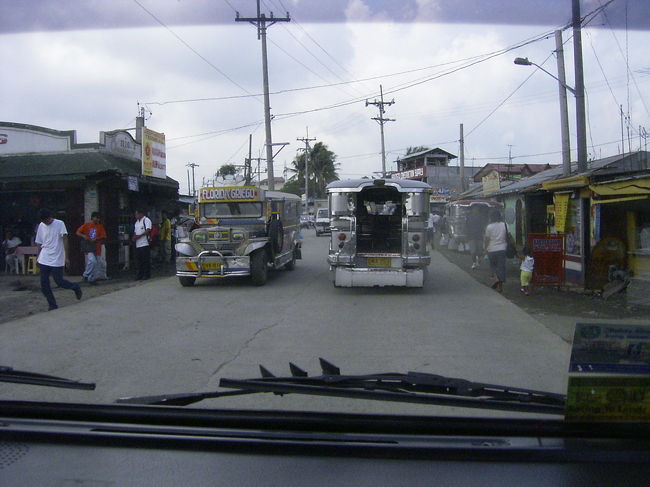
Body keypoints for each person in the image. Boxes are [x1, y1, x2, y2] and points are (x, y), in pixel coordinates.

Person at [35, 208, 82, 310]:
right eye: (43, 221)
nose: (45, 223)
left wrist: (66, 257)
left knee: (59, 281)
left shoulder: (59, 223)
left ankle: (75, 287)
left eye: (46, 220)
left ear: (49, 217)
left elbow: (65, 239)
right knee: (44, 283)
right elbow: (39, 242)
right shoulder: (41, 226)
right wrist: (38, 257)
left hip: (57, 257)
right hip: (44, 257)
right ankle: (52, 304)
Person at [76, 212, 107, 285]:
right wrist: (84, 236)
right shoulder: (87, 225)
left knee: (97, 264)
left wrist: (97, 239)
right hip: (88, 246)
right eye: (96, 217)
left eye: (98, 218)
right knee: (92, 261)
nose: (97, 219)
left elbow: (104, 236)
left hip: (97, 247)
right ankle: (86, 275)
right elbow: (78, 232)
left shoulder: (100, 227)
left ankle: (92, 278)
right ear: (92, 218)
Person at [483, 210, 507, 293]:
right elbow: (509, 236)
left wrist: (485, 249)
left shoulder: (489, 227)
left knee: (493, 266)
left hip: (492, 249)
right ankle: (500, 287)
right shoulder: (504, 225)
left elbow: (487, 240)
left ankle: (496, 278)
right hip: (502, 249)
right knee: (501, 268)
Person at [132, 209, 152, 280]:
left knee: (145, 260)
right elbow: (135, 231)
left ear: (141, 214)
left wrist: (139, 236)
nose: (136, 216)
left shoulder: (146, 220)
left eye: (136, 214)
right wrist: (134, 236)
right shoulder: (136, 222)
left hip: (144, 243)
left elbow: (148, 230)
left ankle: (146, 274)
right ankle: (139, 274)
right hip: (138, 244)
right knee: (139, 260)